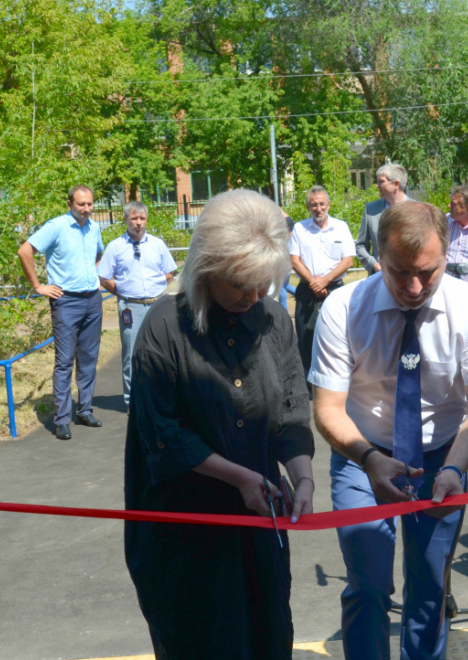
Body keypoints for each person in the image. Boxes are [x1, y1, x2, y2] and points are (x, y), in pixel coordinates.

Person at [123, 189, 314, 659]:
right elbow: (162, 435)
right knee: (202, 642)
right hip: (186, 534)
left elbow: (291, 404)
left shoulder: (272, 318)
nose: (253, 297)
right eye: (240, 285)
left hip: (258, 523)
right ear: (206, 270)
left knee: (267, 636)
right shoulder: (165, 327)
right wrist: (240, 477)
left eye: (263, 285)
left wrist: (303, 473)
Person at [310, 200, 468, 660]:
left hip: (442, 459)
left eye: (428, 273)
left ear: (447, 253)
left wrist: (455, 467)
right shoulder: (342, 307)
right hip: (363, 454)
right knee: (369, 585)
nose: (414, 287)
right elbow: (328, 409)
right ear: (378, 255)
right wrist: (369, 458)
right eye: (399, 273)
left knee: (430, 586)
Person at [17, 184, 105, 441]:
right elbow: (25, 251)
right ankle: (62, 419)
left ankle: (85, 410)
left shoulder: (94, 227)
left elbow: (99, 252)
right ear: (69, 204)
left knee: (88, 359)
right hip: (66, 302)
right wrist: (38, 286)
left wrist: (94, 274)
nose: (87, 209)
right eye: (81, 204)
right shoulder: (56, 226)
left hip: (93, 300)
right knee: (65, 361)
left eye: (90, 204)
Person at [97, 201, 178, 408]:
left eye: (142, 218)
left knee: (162, 352)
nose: (138, 223)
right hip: (130, 308)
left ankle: (162, 398)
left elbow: (170, 271)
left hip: (157, 305)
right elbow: (104, 277)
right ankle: (132, 402)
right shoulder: (115, 247)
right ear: (125, 219)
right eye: (134, 218)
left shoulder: (157, 244)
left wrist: (157, 288)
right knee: (132, 354)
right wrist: (123, 292)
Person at [289, 185, 355, 384]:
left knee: (337, 336)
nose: (318, 208)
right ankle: (308, 386)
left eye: (321, 204)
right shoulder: (300, 228)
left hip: (334, 289)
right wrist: (314, 282)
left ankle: (337, 380)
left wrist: (325, 281)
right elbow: (294, 260)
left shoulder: (341, 227)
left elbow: (348, 260)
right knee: (305, 338)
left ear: (329, 205)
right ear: (308, 207)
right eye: (313, 205)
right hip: (307, 291)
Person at [355, 163, 411, 275]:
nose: (377, 185)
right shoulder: (371, 210)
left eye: (381, 181)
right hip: (379, 277)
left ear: (396, 184)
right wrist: (374, 265)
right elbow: (361, 246)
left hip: (409, 276)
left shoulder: (417, 210)